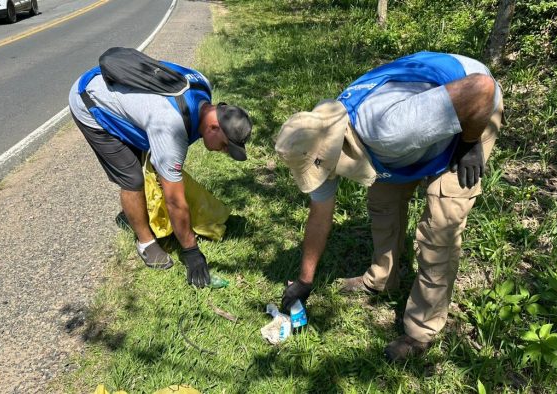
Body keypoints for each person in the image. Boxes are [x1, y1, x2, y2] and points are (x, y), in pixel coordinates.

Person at [275, 51, 503, 362]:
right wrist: (304, 280)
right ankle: (381, 278)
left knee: (439, 229)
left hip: (472, 111)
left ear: (337, 152)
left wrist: (469, 143)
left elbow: (481, 88)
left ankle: (421, 331)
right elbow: (319, 216)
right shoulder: (324, 136)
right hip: (423, 119)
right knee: (383, 201)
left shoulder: (389, 128)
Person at [68, 53, 252, 288]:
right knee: (133, 178)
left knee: (155, 162)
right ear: (214, 126)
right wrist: (191, 251)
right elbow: (175, 201)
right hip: (90, 102)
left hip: (120, 92)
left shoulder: (203, 85)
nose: (223, 151)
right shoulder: (171, 126)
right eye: (225, 146)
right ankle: (145, 243)